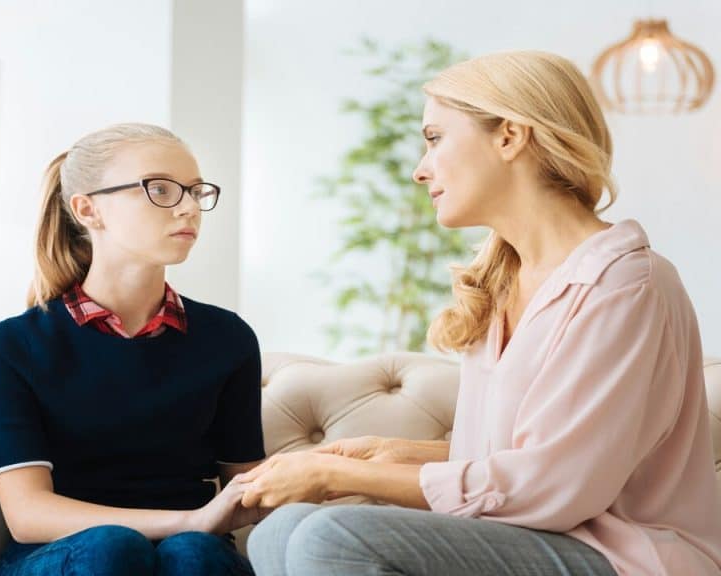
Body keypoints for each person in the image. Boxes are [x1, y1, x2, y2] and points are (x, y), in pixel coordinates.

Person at [240, 51, 721, 576]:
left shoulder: (627, 285)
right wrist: (384, 452)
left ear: (510, 137)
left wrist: (335, 476)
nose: (420, 170)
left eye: (434, 138)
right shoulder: (501, 282)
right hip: (524, 538)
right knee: (281, 533)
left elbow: (555, 486)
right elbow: (513, 460)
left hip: (626, 556)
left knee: (330, 538)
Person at [0, 123, 265, 576]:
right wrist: (190, 520)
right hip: (62, 555)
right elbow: (27, 515)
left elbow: (247, 486)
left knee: (196, 554)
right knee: (112, 548)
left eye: (195, 191)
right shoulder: (12, 346)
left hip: (192, 552)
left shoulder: (228, 338)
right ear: (88, 209)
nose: (189, 207)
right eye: (161, 189)